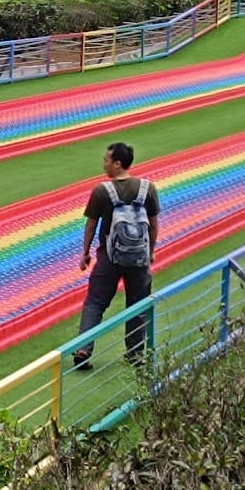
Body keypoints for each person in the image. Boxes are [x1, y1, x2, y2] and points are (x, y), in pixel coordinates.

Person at [72, 141, 160, 370]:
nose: (104, 163)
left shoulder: (102, 191)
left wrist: (85, 253)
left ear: (117, 164)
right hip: (138, 258)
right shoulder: (147, 188)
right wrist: (149, 252)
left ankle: (84, 348)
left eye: (106, 160)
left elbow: (91, 225)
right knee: (137, 304)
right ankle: (135, 354)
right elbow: (152, 224)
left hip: (109, 258)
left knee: (95, 303)